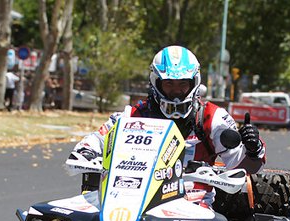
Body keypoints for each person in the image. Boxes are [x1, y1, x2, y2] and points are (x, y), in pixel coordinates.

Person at [67, 45, 265, 206]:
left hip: (193, 207)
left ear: (193, 83)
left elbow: (242, 167)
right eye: (169, 84)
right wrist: (87, 152)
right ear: (157, 82)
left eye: (182, 84)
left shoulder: (213, 117)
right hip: (130, 201)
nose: (176, 91)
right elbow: (96, 139)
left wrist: (253, 148)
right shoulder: (132, 115)